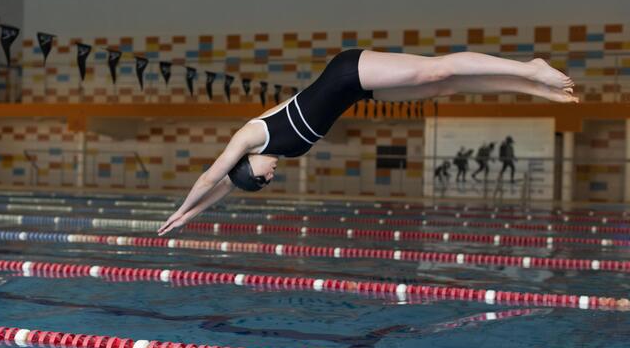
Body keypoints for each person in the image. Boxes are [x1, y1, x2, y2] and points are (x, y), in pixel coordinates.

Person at [158, 49, 577, 235]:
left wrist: (178, 208)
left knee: (435, 72)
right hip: (360, 91)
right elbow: (226, 186)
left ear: (250, 165)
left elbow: (212, 175)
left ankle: (529, 69)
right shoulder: (276, 151)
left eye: (262, 181)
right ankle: (531, 88)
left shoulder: (252, 135)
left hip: (348, 72)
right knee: (442, 89)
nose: (270, 180)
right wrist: (191, 218)